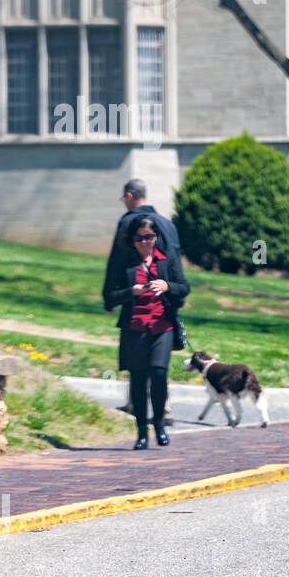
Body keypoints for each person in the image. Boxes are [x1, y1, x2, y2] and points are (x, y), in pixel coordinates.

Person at [103, 215, 190, 450]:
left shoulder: (166, 260)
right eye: (139, 238)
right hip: (135, 328)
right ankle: (142, 431)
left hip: (163, 327)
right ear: (132, 240)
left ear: (156, 237)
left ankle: (159, 425)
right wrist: (131, 291)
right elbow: (110, 295)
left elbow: (184, 287)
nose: (144, 242)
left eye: (149, 237)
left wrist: (167, 286)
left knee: (159, 374)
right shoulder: (126, 264)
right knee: (139, 380)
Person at [102, 178, 182, 422]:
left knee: (138, 355)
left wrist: (110, 298)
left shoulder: (129, 224)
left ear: (129, 196)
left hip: (139, 295)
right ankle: (163, 407)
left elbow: (117, 261)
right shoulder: (167, 224)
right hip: (165, 298)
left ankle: (134, 405)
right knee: (159, 362)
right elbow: (176, 259)